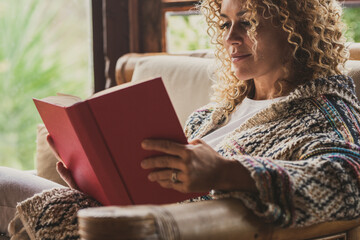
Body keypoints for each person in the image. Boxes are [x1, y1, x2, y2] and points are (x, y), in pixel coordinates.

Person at [2, 0, 360, 237]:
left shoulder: (324, 111)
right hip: (119, 218)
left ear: (294, 25)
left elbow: (348, 183)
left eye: (247, 22)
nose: (230, 38)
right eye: (224, 23)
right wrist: (93, 180)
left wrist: (226, 172)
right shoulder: (212, 116)